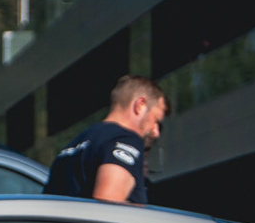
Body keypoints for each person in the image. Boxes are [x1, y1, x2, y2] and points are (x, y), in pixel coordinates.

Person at [44, 75, 167, 204]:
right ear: (140, 105)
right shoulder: (126, 139)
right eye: (156, 121)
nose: (156, 132)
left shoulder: (72, 147)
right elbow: (108, 203)